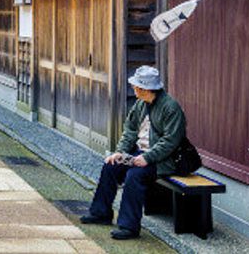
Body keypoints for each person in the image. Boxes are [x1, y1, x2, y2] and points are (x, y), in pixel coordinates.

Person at [80, 66, 187, 240]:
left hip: (163, 159)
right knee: (111, 165)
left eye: (136, 86)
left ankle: (129, 226)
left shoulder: (170, 107)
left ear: (146, 89)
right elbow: (129, 131)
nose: (134, 88)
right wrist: (120, 152)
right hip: (140, 153)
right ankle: (101, 213)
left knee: (134, 176)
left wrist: (147, 157)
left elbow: (171, 141)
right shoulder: (140, 104)